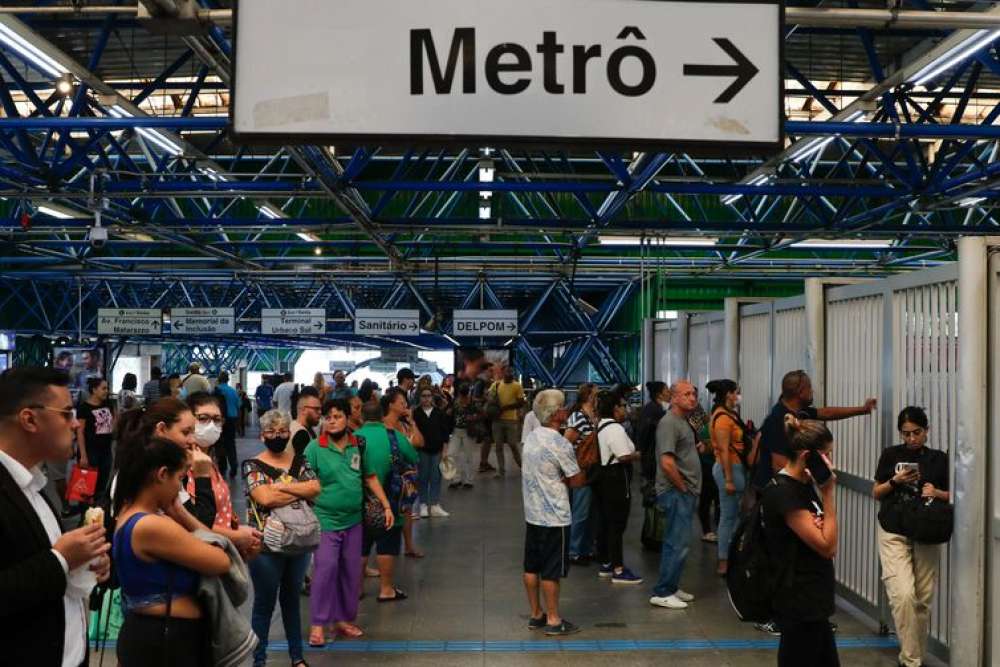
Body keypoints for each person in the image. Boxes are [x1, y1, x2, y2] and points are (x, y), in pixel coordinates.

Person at [0, 367, 111, 667]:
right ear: (29, 419)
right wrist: (61, 559)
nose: (75, 424)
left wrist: (82, 562)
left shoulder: (36, 485)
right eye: (65, 414)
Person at [752, 369, 875, 635]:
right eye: (809, 388)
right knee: (784, 557)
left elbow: (827, 413)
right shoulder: (778, 422)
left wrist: (861, 410)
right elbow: (776, 462)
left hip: (810, 609)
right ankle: (776, 615)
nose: (813, 392)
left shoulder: (799, 417)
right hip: (798, 609)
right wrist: (817, 489)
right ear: (799, 392)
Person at [112, 437, 232, 666]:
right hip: (165, 642)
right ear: (162, 474)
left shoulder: (127, 514)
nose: (179, 487)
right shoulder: (151, 525)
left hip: (156, 636)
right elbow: (221, 560)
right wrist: (182, 514)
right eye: (179, 478)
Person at [306, 398, 394, 645]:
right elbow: (303, 483)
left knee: (350, 572)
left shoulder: (358, 444)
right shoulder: (314, 448)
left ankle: (343, 620)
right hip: (324, 521)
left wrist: (386, 505)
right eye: (328, 417)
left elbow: (370, 476)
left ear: (348, 418)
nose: (332, 421)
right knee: (325, 570)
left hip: (354, 520)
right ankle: (318, 624)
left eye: (338, 416)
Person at [243, 409, 320, 667]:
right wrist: (299, 491)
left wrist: (281, 487)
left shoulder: (300, 459)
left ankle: (297, 658)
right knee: (264, 605)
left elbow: (316, 488)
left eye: (283, 431)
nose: (278, 436)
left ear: (289, 432)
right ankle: (259, 660)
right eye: (272, 432)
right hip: (265, 545)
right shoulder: (252, 464)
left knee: (292, 602)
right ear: (263, 435)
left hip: (299, 541)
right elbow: (264, 498)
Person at [873, 407, 949, 667]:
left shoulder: (939, 459)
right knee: (903, 595)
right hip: (893, 529)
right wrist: (895, 481)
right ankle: (912, 661)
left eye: (917, 432)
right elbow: (877, 492)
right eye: (906, 434)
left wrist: (936, 493)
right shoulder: (891, 455)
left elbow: (956, 495)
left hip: (926, 531)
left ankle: (911, 658)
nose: (912, 439)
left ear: (926, 431)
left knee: (923, 599)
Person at [762, 415, 839, 667]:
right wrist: (828, 495)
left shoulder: (803, 485)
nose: (830, 462)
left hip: (814, 598)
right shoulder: (785, 492)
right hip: (799, 599)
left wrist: (822, 524)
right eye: (826, 456)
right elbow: (828, 546)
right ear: (808, 456)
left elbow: (824, 534)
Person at [521, 388, 586, 636]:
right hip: (555, 517)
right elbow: (576, 480)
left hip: (532, 513)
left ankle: (536, 614)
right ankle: (553, 619)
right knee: (551, 571)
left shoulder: (532, 437)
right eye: (563, 406)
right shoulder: (561, 444)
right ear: (557, 413)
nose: (567, 409)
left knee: (531, 567)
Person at [113, 397, 219, 532]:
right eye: (185, 432)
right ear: (161, 429)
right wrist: (202, 476)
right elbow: (201, 528)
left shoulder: (162, 469)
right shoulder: (149, 474)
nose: (192, 440)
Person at [356, 400, 418, 602]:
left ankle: (357, 589)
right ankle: (386, 589)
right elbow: (413, 456)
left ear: (362, 417)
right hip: (391, 500)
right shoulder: (395, 436)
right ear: (382, 416)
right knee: (387, 546)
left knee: (361, 547)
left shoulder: (353, 438)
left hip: (360, 501)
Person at [186, 392, 261, 558]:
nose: (211, 425)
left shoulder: (209, 460)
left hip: (222, 548)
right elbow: (190, 521)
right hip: (203, 554)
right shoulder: (184, 466)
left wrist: (238, 533)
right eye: (203, 418)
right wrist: (237, 537)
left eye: (217, 419)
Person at [650, 380, 700, 610]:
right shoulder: (669, 423)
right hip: (676, 492)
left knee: (680, 542)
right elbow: (667, 463)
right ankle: (662, 591)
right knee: (676, 543)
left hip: (684, 491)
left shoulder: (682, 422)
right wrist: (682, 487)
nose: (693, 398)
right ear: (675, 398)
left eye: (693, 394)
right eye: (687, 394)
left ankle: (671, 586)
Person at [707, 379, 756, 576]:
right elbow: (725, 451)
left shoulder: (730, 415)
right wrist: (728, 479)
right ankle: (724, 560)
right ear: (728, 394)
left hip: (737, 469)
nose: (738, 396)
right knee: (728, 516)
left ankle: (732, 555)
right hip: (730, 469)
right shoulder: (722, 419)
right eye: (736, 392)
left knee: (734, 514)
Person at [592, 390, 642, 583]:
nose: (625, 409)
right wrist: (638, 455)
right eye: (623, 406)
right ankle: (619, 569)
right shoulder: (615, 429)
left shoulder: (602, 425)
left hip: (603, 479)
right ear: (615, 408)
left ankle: (607, 562)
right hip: (616, 478)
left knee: (606, 521)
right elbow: (623, 456)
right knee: (617, 524)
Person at [382, 388, 425, 558]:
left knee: (406, 509)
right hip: (390, 474)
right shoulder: (382, 425)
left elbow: (420, 442)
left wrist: (412, 422)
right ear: (391, 404)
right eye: (401, 402)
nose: (405, 405)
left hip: (407, 476)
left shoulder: (405, 425)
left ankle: (408, 545)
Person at [564, 383, 598, 565]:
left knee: (591, 512)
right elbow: (565, 442)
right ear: (590, 397)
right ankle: (574, 550)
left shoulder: (595, 417)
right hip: (581, 470)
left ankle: (585, 548)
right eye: (596, 394)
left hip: (593, 470)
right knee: (580, 512)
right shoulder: (578, 417)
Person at [412, 384, 450, 518]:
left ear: (432, 397)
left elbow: (445, 433)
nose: (426, 398)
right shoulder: (415, 413)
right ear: (419, 397)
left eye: (429, 396)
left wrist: (445, 451)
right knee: (422, 478)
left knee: (436, 477)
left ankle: (434, 504)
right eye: (424, 396)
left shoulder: (439, 413)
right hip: (421, 450)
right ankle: (423, 504)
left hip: (437, 450)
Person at [76, 376, 115, 504]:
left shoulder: (109, 405)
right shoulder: (84, 408)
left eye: (107, 388)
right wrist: (83, 455)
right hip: (90, 451)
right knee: (86, 488)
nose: (106, 391)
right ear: (94, 390)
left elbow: (114, 426)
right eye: (103, 388)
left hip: (106, 451)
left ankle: (97, 512)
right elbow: (80, 432)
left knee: (101, 486)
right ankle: (85, 514)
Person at [688, 393, 719, 544]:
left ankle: (712, 529)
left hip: (709, 466)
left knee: (712, 499)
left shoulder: (704, 420)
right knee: (707, 498)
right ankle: (707, 530)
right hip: (707, 466)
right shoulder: (706, 426)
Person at [491, 366, 525, 478]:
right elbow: (489, 396)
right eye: (507, 371)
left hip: (511, 419)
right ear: (503, 372)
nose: (509, 374)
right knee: (498, 446)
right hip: (497, 419)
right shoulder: (496, 384)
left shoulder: (517, 386)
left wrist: (505, 407)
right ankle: (501, 471)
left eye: (511, 372)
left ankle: (523, 467)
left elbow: (521, 402)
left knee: (512, 444)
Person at [636, 381, 669, 484]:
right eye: (667, 390)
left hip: (650, 457)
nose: (669, 393)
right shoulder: (655, 411)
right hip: (652, 458)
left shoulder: (654, 408)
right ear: (659, 395)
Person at [448, 383, 479, 489]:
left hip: (468, 431)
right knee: (451, 454)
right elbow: (450, 413)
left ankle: (468, 480)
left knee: (468, 456)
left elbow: (480, 413)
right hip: (456, 430)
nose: (463, 396)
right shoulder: (455, 402)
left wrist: (474, 417)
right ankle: (456, 479)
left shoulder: (472, 402)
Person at [214, 371, 241, 479]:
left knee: (219, 443)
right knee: (230, 443)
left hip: (220, 420)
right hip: (232, 420)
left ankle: (222, 466)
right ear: (228, 380)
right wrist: (238, 423)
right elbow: (238, 407)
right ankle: (233, 466)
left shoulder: (216, 390)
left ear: (219, 379)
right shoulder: (233, 391)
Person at [291, 389, 322, 457]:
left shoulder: (293, 425)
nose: (320, 412)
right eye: (316, 409)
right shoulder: (301, 434)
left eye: (320, 409)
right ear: (303, 410)